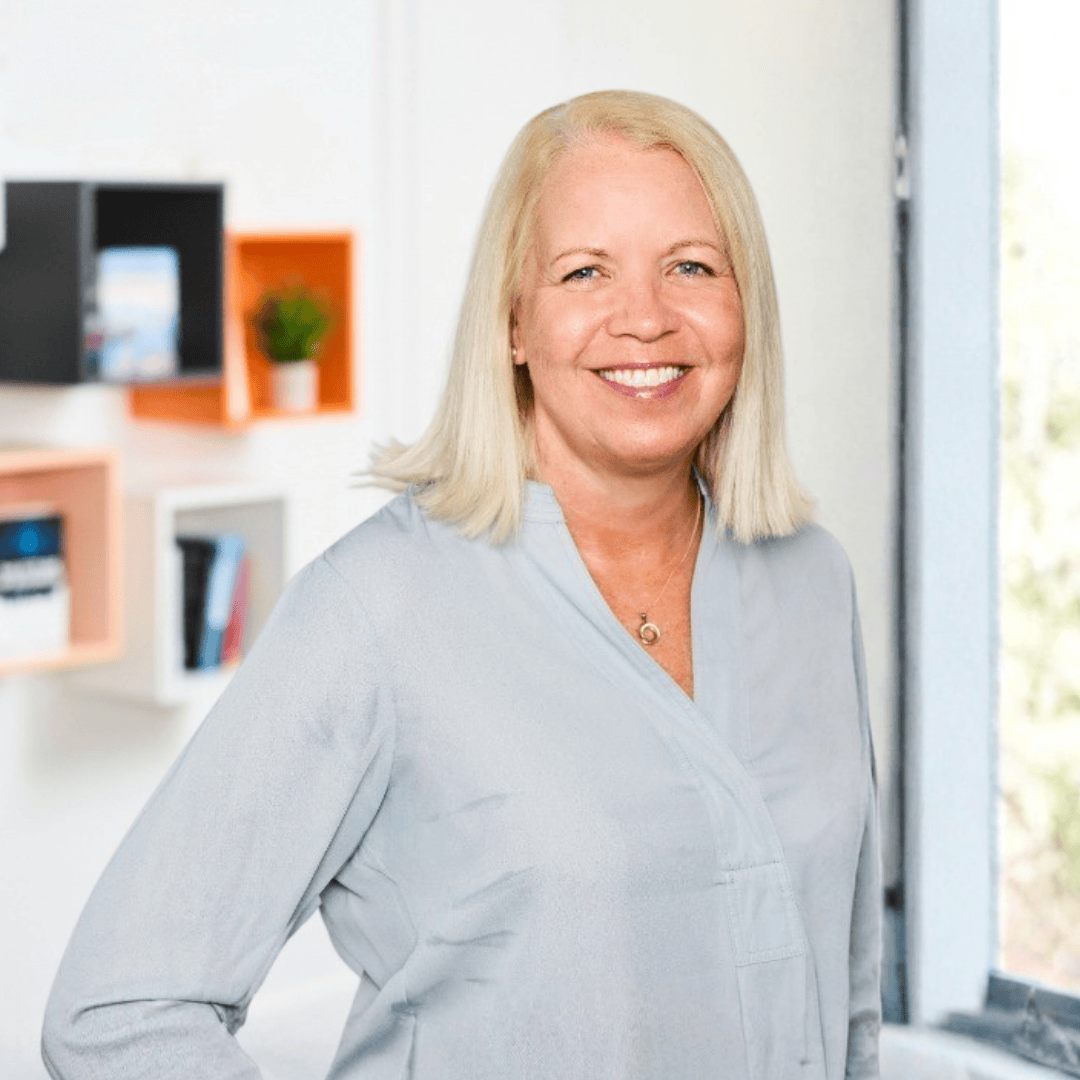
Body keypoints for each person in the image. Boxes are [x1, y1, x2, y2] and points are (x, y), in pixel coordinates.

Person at [42, 89, 881, 1079]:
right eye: (585, 271)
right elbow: (118, 1011)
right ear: (514, 323)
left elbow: (847, 1002)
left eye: (692, 266)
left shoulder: (813, 581)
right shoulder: (379, 610)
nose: (646, 318)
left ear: (745, 309)